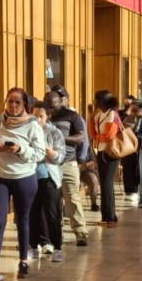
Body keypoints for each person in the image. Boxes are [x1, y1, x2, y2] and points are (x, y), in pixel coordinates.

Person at [0, 88, 47, 281]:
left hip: (24, 178)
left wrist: (20, 150)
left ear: (24, 104)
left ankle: (23, 262)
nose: (13, 106)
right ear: (5, 102)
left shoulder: (33, 125)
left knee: (23, 221)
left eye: (18, 102)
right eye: (10, 101)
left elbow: (39, 153)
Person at [47, 88, 90, 247]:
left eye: (55, 105)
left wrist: (61, 138)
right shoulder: (43, 116)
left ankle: (80, 232)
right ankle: (56, 233)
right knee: (53, 201)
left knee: (72, 197)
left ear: (60, 102)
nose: (52, 109)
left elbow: (81, 137)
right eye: (49, 106)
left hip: (67, 162)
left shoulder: (72, 116)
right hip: (49, 164)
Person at [29, 101, 67, 262]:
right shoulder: (27, 131)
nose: (38, 119)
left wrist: (44, 147)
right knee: (33, 214)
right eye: (35, 116)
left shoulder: (55, 133)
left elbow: (60, 157)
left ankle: (57, 247)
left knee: (52, 214)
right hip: (30, 178)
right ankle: (33, 246)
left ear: (48, 117)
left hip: (49, 178)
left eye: (41, 116)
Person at [89, 90, 123, 226]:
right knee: (103, 184)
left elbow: (109, 135)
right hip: (101, 152)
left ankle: (110, 218)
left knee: (108, 184)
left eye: (96, 99)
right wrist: (91, 116)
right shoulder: (100, 115)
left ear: (102, 101)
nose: (94, 101)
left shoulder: (112, 114)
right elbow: (93, 133)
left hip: (111, 153)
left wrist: (98, 137)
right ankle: (107, 217)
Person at [121, 100, 142, 200]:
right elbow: (123, 127)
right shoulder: (129, 117)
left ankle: (135, 190)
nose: (134, 111)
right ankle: (128, 190)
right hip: (128, 145)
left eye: (136, 109)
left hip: (140, 145)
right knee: (127, 168)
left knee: (137, 169)